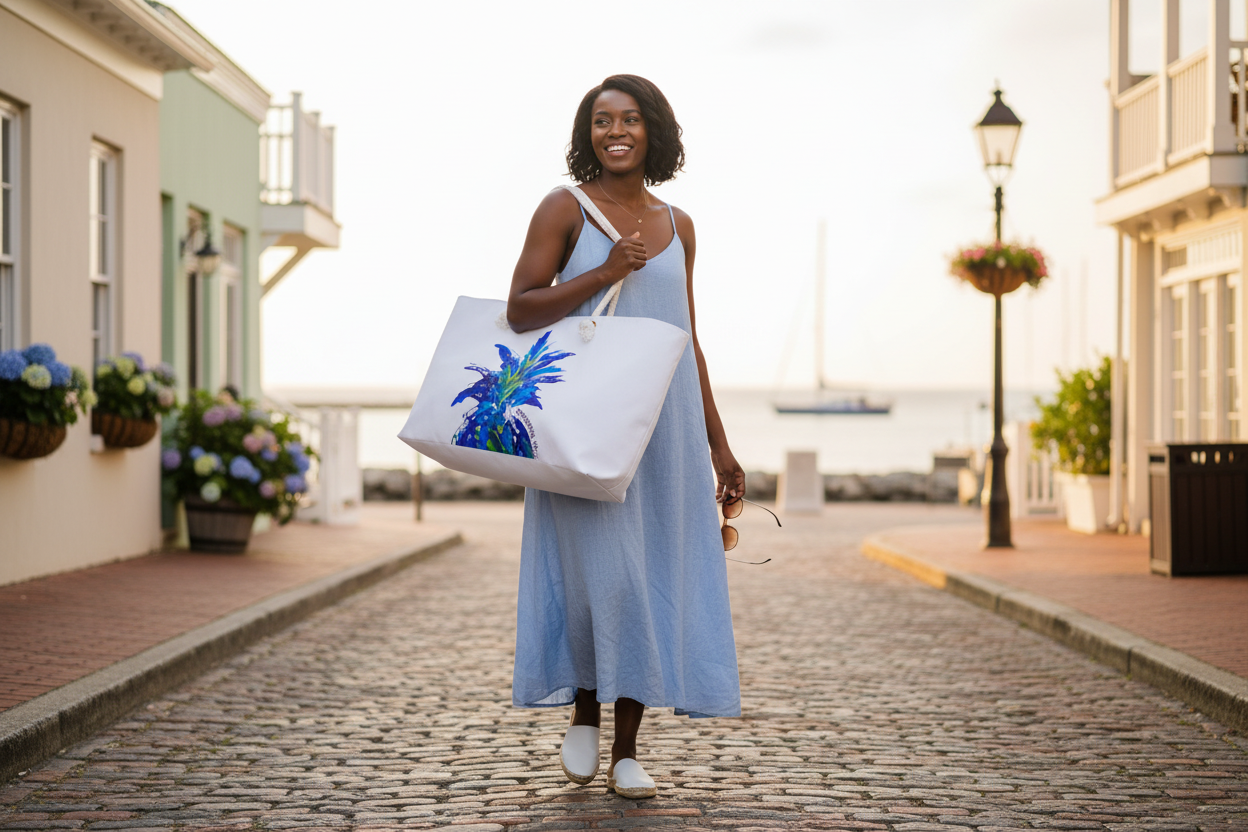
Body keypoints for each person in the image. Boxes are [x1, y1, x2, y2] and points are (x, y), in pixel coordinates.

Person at [505, 74, 744, 800]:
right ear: (589, 134)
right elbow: (521, 309)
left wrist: (720, 446)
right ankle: (584, 708)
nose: (616, 131)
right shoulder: (564, 208)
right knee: (600, 578)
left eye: (630, 119)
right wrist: (606, 272)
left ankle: (627, 749)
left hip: (667, 429)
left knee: (649, 578)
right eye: (602, 120)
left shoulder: (680, 225)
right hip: (587, 423)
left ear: (653, 131)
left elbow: (687, 339)